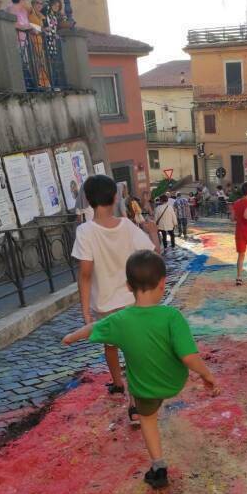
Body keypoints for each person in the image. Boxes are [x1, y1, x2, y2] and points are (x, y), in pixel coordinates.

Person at [62, 250, 220, 490]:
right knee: (159, 394)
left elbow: (94, 327)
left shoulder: (120, 320)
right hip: (174, 382)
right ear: (163, 283)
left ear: (128, 286)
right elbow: (189, 357)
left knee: (148, 420)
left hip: (144, 388)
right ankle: (158, 463)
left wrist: (71, 337)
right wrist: (207, 376)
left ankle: (159, 466)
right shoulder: (172, 317)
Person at [70, 174, 154, 419]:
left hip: (104, 303)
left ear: (87, 199)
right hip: (131, 299)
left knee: (111, 345)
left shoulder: (85, 231)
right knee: (133, 349)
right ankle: (135, 401)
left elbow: (85, 274)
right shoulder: (127, 226)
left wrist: (85, 310)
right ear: (115, 197)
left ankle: (118, 383)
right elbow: (148, 251)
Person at [28, 0, 50, 88]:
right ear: (33, 3)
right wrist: (41, 29)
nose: (39, 5)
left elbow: (42, 29)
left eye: (41, 3)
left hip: (40, 41)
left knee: (42, 62)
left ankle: (44, 84)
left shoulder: (41, 16)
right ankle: (37, 83)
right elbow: (28, 24)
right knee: (35, 62)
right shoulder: (30, 12)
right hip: (31, 40)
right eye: (37, 3)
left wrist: (44, 29)